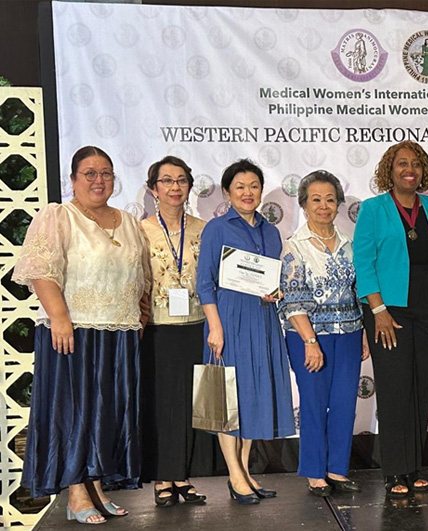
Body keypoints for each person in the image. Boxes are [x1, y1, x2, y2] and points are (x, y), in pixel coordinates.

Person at [13, 146, 150, 524]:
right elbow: (41, 270)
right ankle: (75, 492)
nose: (98, 180)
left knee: (105, 411)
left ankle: (94, 483)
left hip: (117, 333)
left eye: (105, 173)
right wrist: (58, 318)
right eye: (89, 173)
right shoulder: (58, 216)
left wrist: (137, 318)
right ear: (73, 179)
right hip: (72, 331)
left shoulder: (128, 221)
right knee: (74, 411)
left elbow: (139, 278)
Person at [353, 141, 428, 498]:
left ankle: (414, 467)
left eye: (416, 164)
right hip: (387, 313)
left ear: (423, 171)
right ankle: (394, 471)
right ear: (389, 171)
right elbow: (363, 263)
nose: (409, 169)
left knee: (421, 390)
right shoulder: (373, 209)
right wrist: (377, 310)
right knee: (395, 390)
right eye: (401, 163)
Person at [196, 159, 295, 505]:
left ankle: (245, 470)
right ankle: (234, 474)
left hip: (263, 319)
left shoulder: (270, 231)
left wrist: (276, 291)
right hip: (228, 319)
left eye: (253, 185)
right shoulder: (217, 229)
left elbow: (273, 277)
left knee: (253, 396)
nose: (248, 192)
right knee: (228, 399)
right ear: (227, 192)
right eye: (240, 186)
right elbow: (204, 283)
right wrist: (215, 327)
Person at [279, 170, 369, 497]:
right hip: (308, 336)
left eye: (330, 199)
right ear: (304, 205)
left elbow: (358, 291)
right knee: (314, 403)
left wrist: (361, 332)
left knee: (344, 403)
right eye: (316, 199)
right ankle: (315, 472)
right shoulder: (294, 247)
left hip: (348, 333)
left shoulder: (349, 243)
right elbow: (292, 298)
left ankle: (336, 469)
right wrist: (309, 341)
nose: (324, 205)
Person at [139, 156, 209, 507]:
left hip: (197, 325)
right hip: (156, 327)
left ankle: (182, 475)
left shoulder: (204, 228)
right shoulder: (140, 230)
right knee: (161, 402)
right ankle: (161, 477)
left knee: (188, 403)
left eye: (181, 180)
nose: (175, 187)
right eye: (166, 181)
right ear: (154, 189)